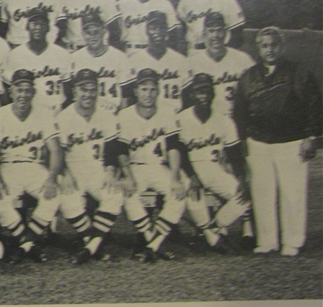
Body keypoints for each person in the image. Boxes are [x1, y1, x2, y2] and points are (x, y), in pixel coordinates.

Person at [233, 27, 321, 256]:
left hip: (291, 141)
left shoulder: (299, 72)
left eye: (273, 45)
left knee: (292, 194)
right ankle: (267, 241)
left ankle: (292, 242)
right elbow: (240, 111)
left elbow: (314, 106)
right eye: (264, 45)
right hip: (259, 142)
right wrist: (243, 139)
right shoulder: (248, 75)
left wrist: (310, 137)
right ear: (258, 48)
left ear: (281, 47)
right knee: (262, 193)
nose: (269, 50)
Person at [0, 69, 61, 263]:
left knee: (55, 194)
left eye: (27, 90)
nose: (23, 95)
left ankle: (24, 243)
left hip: (35, 167)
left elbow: (56, 150)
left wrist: (51, 178)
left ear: (33, 92)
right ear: (11, 92)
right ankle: (29, 244)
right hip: (8, 167)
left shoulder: (44, 114)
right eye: (19, 90)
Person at [55, 69, 125, 264]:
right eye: (82, 89)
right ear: (74, 92)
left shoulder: (107, 115)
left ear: (97, 91)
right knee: (69, 202)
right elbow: (56, 152)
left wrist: (111, 172)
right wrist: (65, 173)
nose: (88, 94)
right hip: (73, 170)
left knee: (115, 194)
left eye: (92, 89)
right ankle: (95, 243)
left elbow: (112, 150)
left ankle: (90, 247)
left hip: (98, 169)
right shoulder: (63, 117)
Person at [117, 68, 187, 261]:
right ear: (136, 91)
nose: (148, 94)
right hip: (135, 166)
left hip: (158, 166)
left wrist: (175, 177)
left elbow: (173, 147)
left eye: (152, 89)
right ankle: (154, 241)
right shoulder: (125, 114)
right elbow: (121, 151)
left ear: (158, 91)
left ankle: (151, 244)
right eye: (144, 89)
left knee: (179, 192)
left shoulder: (167, 111)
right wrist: (128, 176)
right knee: (128, 193)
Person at [177, 73, 253, 251]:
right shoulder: (181, 119)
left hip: (213, 167)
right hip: (188, 167)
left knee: (243, 196)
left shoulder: (224, 120)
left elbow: (234, 154)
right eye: (199, 92)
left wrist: (241, 178)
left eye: (207, 91)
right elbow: (179, 153)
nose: (203, 96)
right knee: (193, 196)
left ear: (213, 94)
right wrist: (192, 177)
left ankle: (211, 229)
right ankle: (214, 240)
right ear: (192, 95)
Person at [185, 12, 255, 118]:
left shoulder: (243, 59)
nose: (215, 36)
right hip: (208, 121)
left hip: (237, 118)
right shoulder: (191, 62)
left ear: (226, 33)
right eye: (211, 31)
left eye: (219, 30)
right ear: (204, 35)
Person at [2, 8, 70, 114]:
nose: (38, 27)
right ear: (27, 27)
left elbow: (68, 87)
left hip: (55, 109)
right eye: (34, 23)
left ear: (48, 27)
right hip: (29, 112)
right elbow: (8, 88)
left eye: (42, 23)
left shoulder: (61, 53)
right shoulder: (15, 54)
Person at [122, 11, 190, 113]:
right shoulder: (134, 61)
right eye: (153, 28)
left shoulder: (180, 60)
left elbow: (187, 97)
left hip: (174, 115)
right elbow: (128, 98)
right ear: (146, 30)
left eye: (161, 27)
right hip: (146, 116)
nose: (157, 31)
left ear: (167, 30)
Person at [67, 12, 128, 112]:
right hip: (85, 113)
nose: (92, 36)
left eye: (96, 32)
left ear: (104, 31)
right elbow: (71, 94)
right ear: (82, 34)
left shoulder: (119, 57)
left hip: (112, 111)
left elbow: (126, 96)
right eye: (88, 33)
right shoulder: (74, 58)